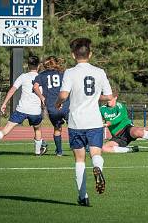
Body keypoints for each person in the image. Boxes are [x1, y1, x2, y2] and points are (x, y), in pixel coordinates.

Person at [55, 38, 113, 207]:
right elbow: (109, 97)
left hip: (76, 123)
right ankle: (98, 169)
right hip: (94, 121)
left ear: (73, 55)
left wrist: (58, 103)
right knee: (96, 154)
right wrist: (95, 97)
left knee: (79, 160)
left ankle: (83, 196)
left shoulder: (70, 72)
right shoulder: (100, 72)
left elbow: (64, 95)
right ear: (91, 54)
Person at [0, 56, 46, 158]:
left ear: (28, 65)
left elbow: (12, 90)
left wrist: (4, 103)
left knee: (5, 130)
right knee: (37, 129)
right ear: (39, 65)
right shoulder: (42, 77)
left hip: (21, 109)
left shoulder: (23, 76)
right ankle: (37, 153)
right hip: (35, 110)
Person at [100, 89, 148, 153]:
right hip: (117, 137)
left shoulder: (120, 106)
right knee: (103, 148)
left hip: (126, 129)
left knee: (137, 132)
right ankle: (131, 149)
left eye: (110, 98)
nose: (108, 100)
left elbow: (120, 117)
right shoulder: (102, 109)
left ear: (115, 98)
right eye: (106, 98)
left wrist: (109, 123)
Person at [33, 56, 70, 156]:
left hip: (51, 106)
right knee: (74, 126)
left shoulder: (41, 75)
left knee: (57, 128)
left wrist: (41, 97)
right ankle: (83, 147)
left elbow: (35, 87)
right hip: (65, 104)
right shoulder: (62, 74)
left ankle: (59, 152)